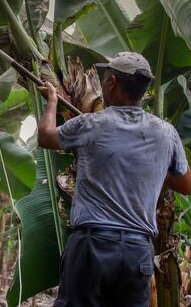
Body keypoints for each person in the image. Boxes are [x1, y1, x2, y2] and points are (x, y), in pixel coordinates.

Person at [37, 52, 191, 307]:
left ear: (112, 84)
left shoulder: (91, 124)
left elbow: (46, 137)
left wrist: (53, 100)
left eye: (106, 77)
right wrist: (147, 166)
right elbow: (186, 185)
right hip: (137, 253)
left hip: (92, 246)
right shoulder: (166, 133)